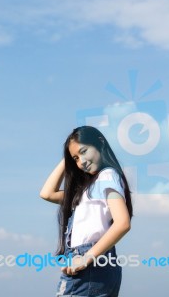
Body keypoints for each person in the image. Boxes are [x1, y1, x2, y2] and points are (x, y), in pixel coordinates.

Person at [40, 125, 133, 297]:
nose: (81, 162)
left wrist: (86, 258)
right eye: (75, 158)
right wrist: (67, 157)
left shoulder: (107, 176)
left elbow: (122, 223)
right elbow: (47, 193)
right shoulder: (86, 190)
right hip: (94, 263)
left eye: (84, 151)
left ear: (99, 143)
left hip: (90, 262)